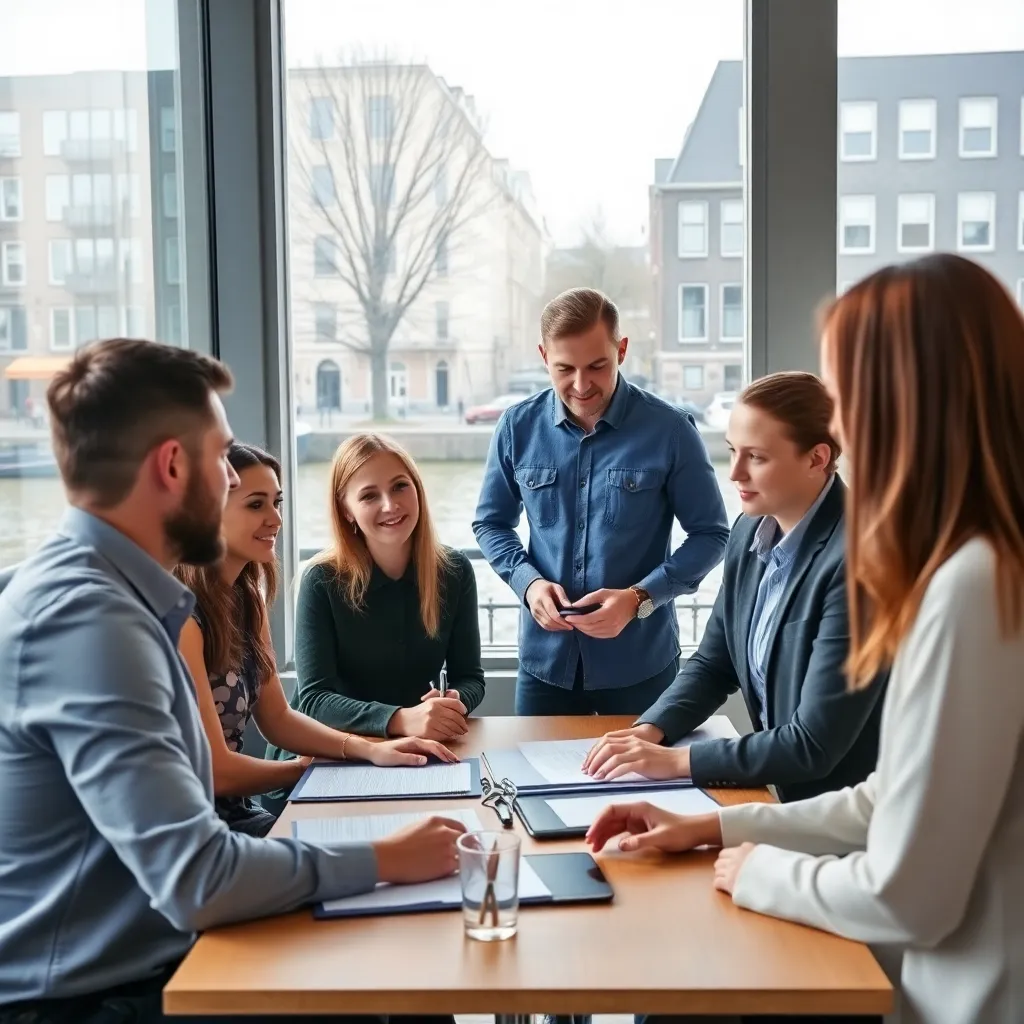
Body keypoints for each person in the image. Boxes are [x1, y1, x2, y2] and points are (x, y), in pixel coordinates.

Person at [586, 254, 1024, 1024]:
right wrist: (713, 826)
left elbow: (908, 893)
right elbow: (893, 799)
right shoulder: (977, 564)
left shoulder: (973, 585)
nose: (843, 423)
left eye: (848, 394)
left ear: (906, 402)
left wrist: (756, 870)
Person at [0, 338, 466, 1024]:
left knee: (392, 967)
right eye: (222, 458)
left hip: (146, 953)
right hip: (91, 997)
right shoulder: (91, 624)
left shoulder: (111, 595)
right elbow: (198, 879)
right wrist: (386, 858)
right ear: (171, 465)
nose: (229, 479)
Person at [583, 372, 885, 803]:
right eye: (732, 452)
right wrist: (651, 730)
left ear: (817, 458)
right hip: (779, 795)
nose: (735, 474)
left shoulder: (861, 561)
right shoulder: (749, 529)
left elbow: (812, 745)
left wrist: (676, 763)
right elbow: (714, 662)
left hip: (846, 818)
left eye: (756, 458)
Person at [175, 441, 457, 838]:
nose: (275, 519)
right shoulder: (182, 618)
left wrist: (371, 750)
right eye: (256, 505)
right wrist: (304, 769)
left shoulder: (247, 597)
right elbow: (215, 771)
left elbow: (278, 719)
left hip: (234, 812)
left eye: (277, 502)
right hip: (184, 823)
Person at [473, 287, 730, 716]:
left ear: (622, 350)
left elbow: (711, 535)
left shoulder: (671, 430)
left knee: (645, 784)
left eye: (597, 366)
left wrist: (640, 598)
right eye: (564, 369)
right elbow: (490, 524)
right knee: (536, 782)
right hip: (545, 667)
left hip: (641, 665)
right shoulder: (517, 427)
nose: (581, 385)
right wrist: (528, 583)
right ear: (543, 356)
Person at [264, 433, 485, 805]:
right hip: (326, 757)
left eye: (401, 486)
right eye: (369, 495)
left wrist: (453, 701)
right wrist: (402, 719)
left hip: (412, 757)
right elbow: (315, 700)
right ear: (346, 510)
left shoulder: (455, 571)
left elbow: (471, 677)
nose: (390, 505)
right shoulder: (322, 579)